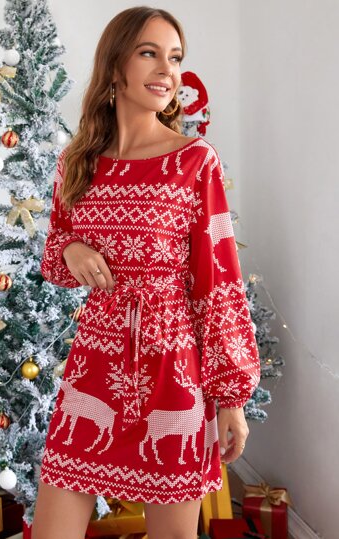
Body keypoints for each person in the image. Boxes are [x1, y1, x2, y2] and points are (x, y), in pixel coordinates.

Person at [32, 6, 261, 539]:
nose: (167, 71)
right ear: (116, 66)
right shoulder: (78, 163)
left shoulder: (195, 161)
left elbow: (219, 281)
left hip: (172, 370)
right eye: (149, 53)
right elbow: (55, 251)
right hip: (94, 364)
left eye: (175, 58)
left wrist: (231, 397)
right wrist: (72, 250)